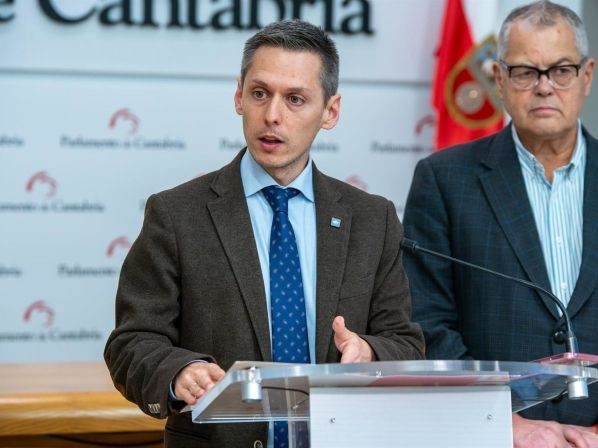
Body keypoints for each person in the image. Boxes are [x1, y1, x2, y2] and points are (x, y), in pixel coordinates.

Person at [105, 19, 424, 448]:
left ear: (330, 111)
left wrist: (367, 353)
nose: (272, 115)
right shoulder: (177, 214)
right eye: (260, 93)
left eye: (295, 99)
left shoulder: (372, 219)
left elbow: (405, 343)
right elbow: (132, 342)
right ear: (239, 96)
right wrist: (178, 371)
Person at [403, 1, 598, 447]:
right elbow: (426, 324)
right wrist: (501, 423)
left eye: (561, 70)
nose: (544, 87)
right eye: (526, 71)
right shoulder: (444, 180)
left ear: (587, 75)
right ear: (499, 79)